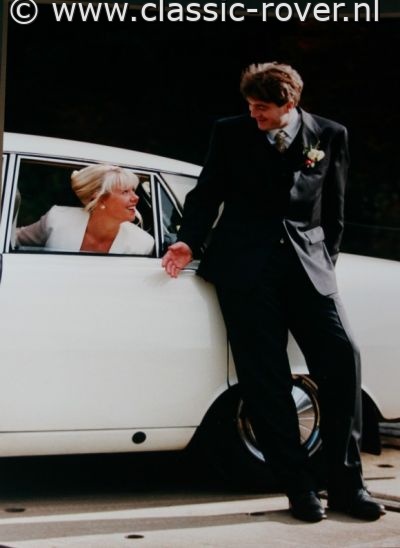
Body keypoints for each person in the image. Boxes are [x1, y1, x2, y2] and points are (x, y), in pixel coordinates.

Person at [162, 62, 385, 522]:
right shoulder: (229, 133)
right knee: (265, 380)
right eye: (249, 105)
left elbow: (335, 208)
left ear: (290, 103)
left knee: (343, 362)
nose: (253, 114)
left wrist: (324, 261)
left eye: (262, 107)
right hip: (245, 271)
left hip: (309, 268)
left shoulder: (330, 134)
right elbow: (207, 191)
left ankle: (348, 486)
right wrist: (189, 241)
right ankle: (298, 488)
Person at [15, 164, 154, 255]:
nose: (136, 197)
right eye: (125, 192)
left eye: (133, 190)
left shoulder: (142, 243)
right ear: (99, 199)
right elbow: (14, 238)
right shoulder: (58, 219)